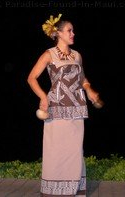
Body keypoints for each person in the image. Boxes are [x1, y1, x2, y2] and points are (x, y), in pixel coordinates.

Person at [27, 14, 101, 196]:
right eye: (69, 30)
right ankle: (54, 190)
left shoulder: (77, 55)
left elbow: (82, 78)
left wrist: (89, 90)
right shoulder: (48, 54)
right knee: (56, 149)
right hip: (56, 106)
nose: (73, 33)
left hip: (77, 106)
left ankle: (73, 189)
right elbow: (31, 78)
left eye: (73, 30)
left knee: (74, 150)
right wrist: (43, 97)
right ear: (58, 33)